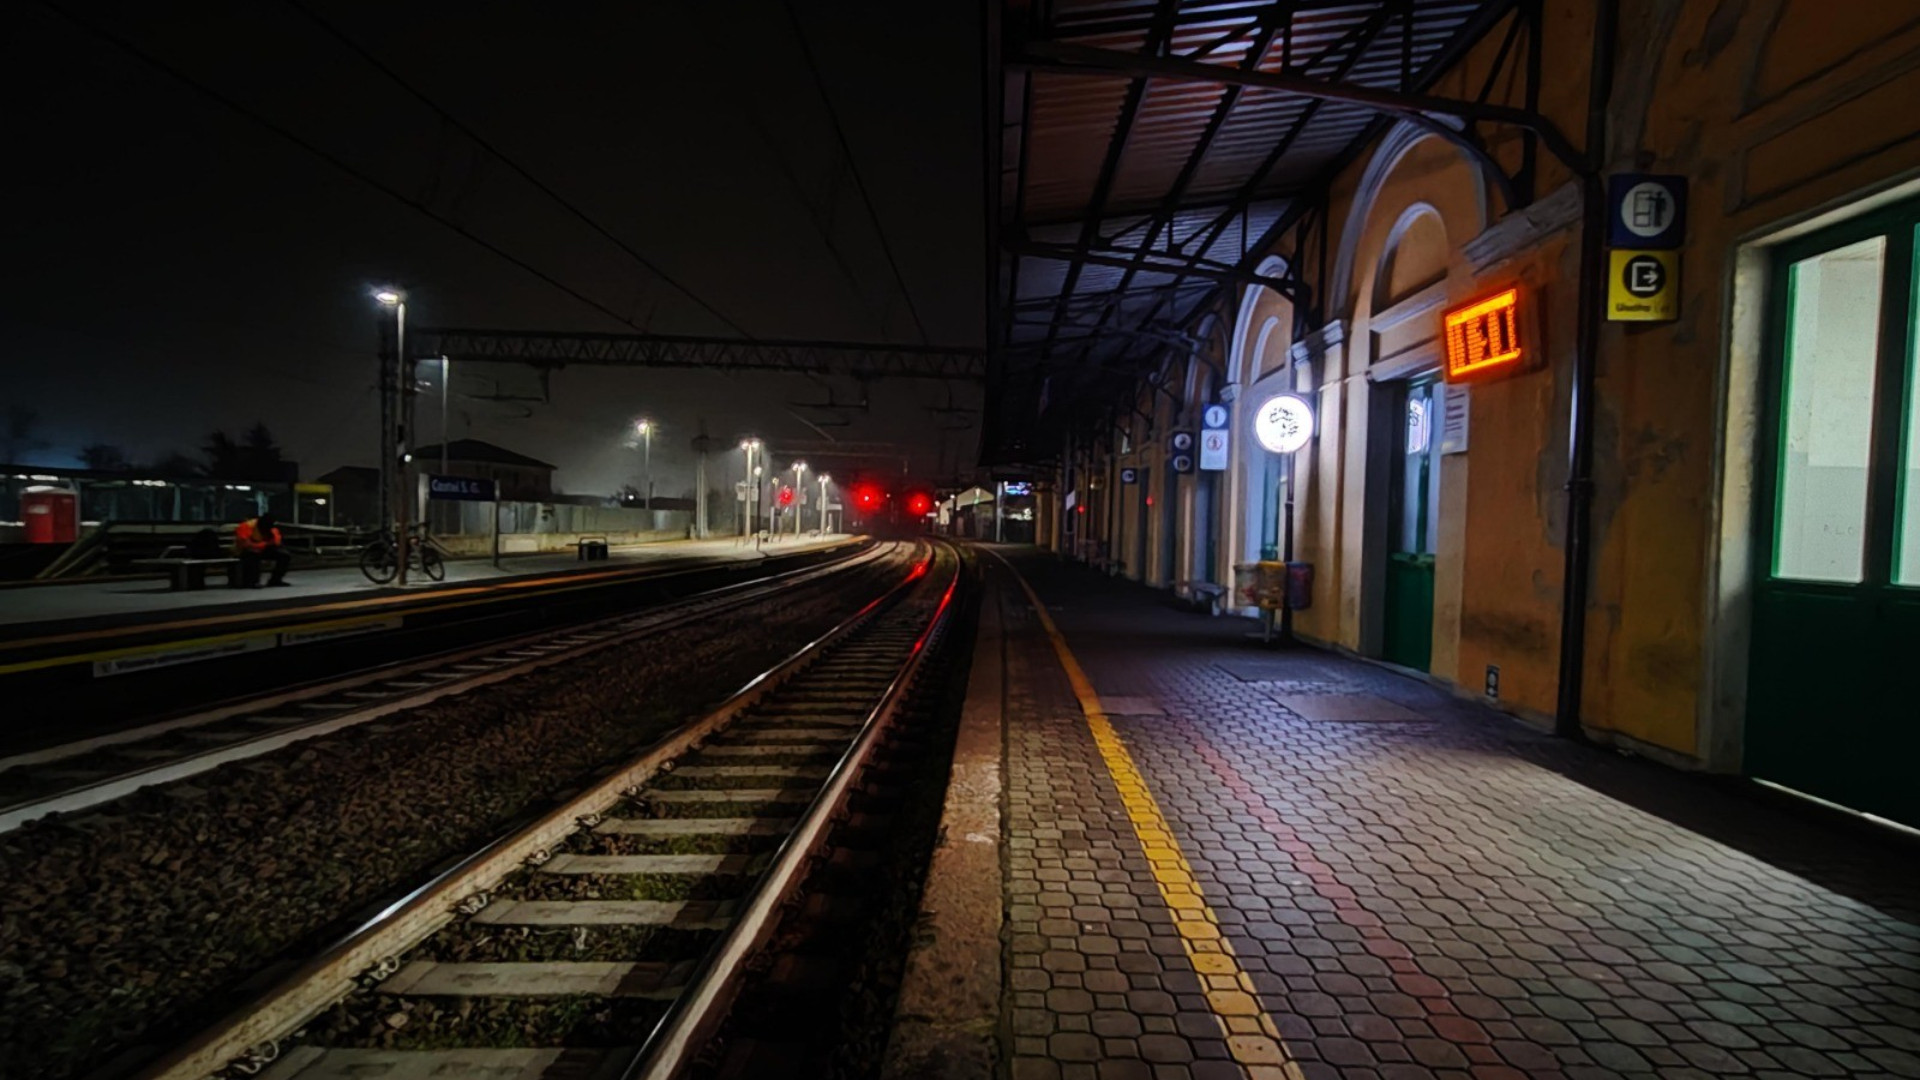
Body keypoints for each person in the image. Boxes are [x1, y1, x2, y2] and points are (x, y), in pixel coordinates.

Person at [234, 512, 291, 587]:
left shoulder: (272, 528)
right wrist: (263, 544)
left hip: (263, 548)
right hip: (244, 550)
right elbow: (245, 544)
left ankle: (275, 580)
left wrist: (267, 544)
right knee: (252, 555)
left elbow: (276, 542)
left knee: (284, 555)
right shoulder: (247, 526)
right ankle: (252, 581)